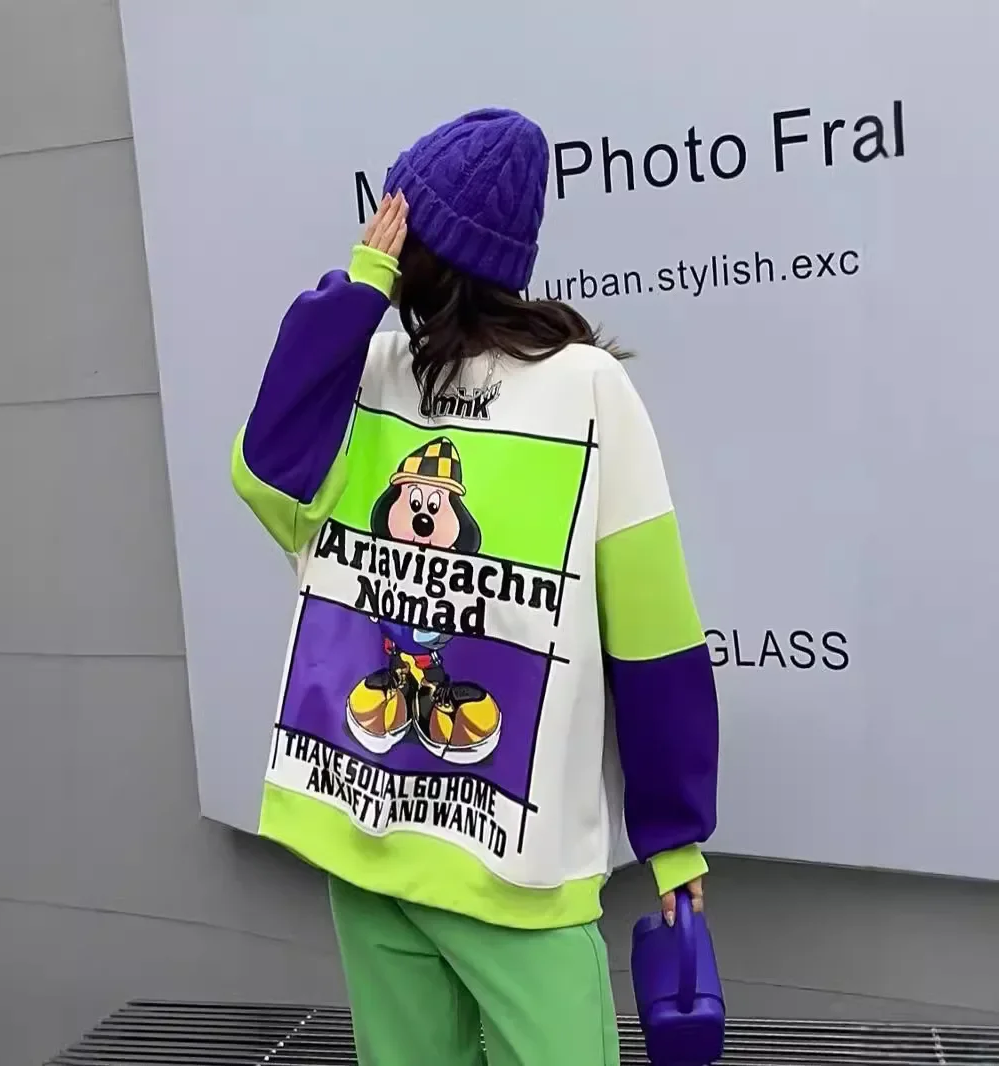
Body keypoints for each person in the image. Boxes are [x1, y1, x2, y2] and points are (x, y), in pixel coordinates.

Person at [231, 107, 719, 1066]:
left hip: (417, 847)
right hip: (463, 851)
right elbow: (657, 635)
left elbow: (264, 470)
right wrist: (675, 835)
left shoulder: (561, 388)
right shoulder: (393, 371)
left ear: (417, 241)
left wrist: (358, 287)